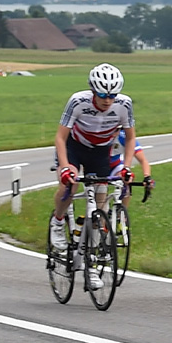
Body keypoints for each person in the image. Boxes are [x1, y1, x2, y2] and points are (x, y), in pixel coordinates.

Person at [52, 63, 137, 288]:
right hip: (74, 147)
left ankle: (91, 267)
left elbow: (130, 139)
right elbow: (60, 137)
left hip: (101, 151)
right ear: (92, 91)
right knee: (69, 186)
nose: (107, 100)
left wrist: (126, 166)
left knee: (100, 209)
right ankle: (58, 222)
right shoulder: (78, 101)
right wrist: (64, 168)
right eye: (102, 95)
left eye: (112, 95)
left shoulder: (124, 104)